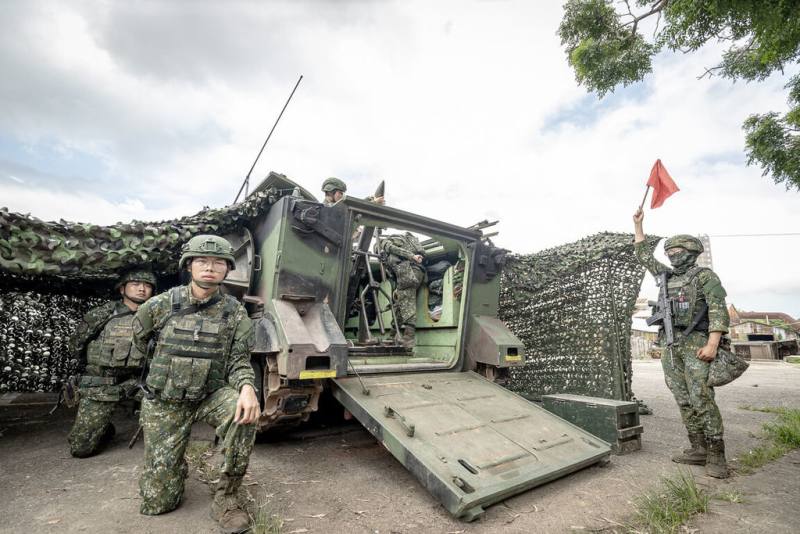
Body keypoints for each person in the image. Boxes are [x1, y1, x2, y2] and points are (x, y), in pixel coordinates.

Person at [133, 235, 260, 533]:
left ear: (227, 270)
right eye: (202, 261)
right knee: (158, 503)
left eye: (218, 263)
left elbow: (238, 360)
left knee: (242, 413)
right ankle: (172, 467)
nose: (210, 268)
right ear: (189, 265)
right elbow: (141, 343)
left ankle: (227, 497)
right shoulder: (159, 305)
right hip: (165, 401)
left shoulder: (234, 312)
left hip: (209, 394)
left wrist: (246, 388)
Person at [633, 207, 730, 478]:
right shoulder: (667, 277)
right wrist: (639, 225)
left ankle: (716, 455)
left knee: (701, 397)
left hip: (697, 342)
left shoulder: (704, 277)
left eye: (678, 252)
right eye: (670, 253)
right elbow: (642, 255)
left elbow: (718, 310)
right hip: (670, 344)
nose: (673, 257)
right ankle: (697, 448)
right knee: (682, 397)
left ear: (691, 252)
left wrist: (713, 344)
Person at [67, 269, 156, 458]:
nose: (142, 289)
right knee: (81, 449)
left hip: (142, 383)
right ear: (122, 289)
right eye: (135, 284)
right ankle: (103, 428)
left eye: (147, 286)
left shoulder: (157, 315)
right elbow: (77, 344)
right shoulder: (103, 314)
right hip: (104, 384)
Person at [378, 232, 426, 348]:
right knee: (399, 304)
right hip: (412, 271)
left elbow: (394, 250)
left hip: (409, 270)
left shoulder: (384, 243)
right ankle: (393, 335)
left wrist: (412, 256)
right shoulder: (403, 240)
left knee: (406, 299)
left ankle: (409, 337)